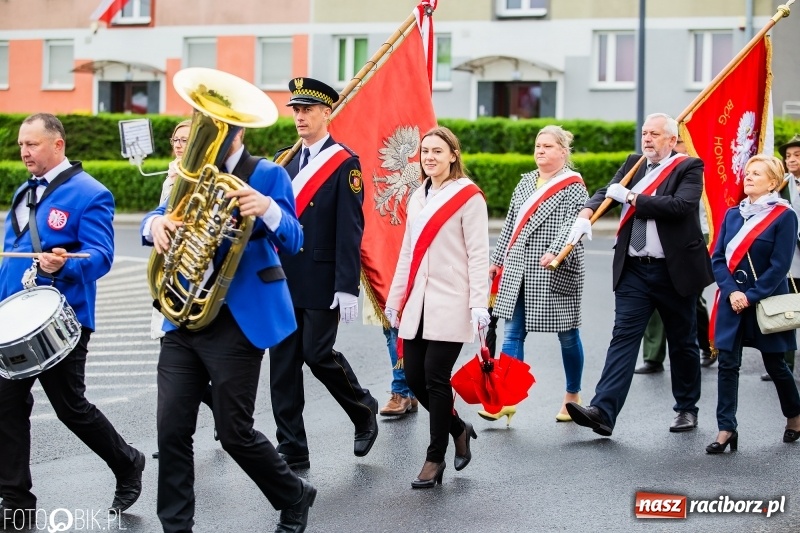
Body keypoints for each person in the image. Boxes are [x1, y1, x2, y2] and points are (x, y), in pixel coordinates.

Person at [142, 126, 317, 532]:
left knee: (234, 432)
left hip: (238, 321)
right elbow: (156, 214)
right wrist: (156, 227)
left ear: (236, 132)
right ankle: (176, 525)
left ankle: (293, 494)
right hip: (184, 316)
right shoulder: (191, 171)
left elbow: (294, 239)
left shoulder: (268, 174)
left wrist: (267, 209)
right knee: (170, 428)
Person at [0, 113, 145, 528]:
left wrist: (61, 265)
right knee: (5, 406)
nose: (24, 152)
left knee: (71, 408)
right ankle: (16, 498)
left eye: (33, 144)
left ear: (58, 144)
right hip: (14, 322)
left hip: (61, 321)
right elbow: (12, 256)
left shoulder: (90, 193)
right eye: (21, 145)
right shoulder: (22, 191)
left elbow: (100, 256)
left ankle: (127, 461)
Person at [565, 113, 713, 437]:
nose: (647, 139)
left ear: (671, 141)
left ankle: (687, 408)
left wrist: (631, 197)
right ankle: (603, 410)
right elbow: (607, 191)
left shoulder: (689, 167)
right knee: (623, 339)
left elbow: (679, 207)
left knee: (683, 342)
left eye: (655, 134)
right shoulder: (635, 163)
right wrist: (586, 213)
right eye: (645, 133)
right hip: (634, 269)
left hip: (673, 271)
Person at [270, 77, 379, 471]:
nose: (299, 116)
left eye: (307, 110)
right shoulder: (284, 159)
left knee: (317, 356)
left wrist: (346, 286)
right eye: (296, 110)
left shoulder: (345, 163)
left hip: (319, 276)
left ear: (326, 112)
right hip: (282, 279)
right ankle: (292, 446)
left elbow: (350, 228)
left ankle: (363, 407)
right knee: (282, 365)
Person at [385, 126, 490, 488]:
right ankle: (459, 427)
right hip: (418, 300)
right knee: (414, 379)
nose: (429, 157)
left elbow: (479, 254)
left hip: (454, 300)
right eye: (425, 152)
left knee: (434, 376)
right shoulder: (418, 197)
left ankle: (434, 458)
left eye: (437, 151)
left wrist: (480, 304)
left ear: (453, 155)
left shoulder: (468, 197)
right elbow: (407, 255)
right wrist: (395, 299)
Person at [485, 125, 588, 424]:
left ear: (563, 151)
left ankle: (572, 395)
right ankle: (506, 397)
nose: (540, 150)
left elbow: (573, 223)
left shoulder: (574, 186)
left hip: (556, 266)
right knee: (513, 331)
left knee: (567, 335)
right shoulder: (526, 182)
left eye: (548, 146)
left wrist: (556, 251)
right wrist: (497, 258)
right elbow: (510, 224)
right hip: (519, 265)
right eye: (537, 145)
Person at [706, 154, 800, 453]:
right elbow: (718, 258)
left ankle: (795, 416)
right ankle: (726, 428)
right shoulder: (733, 214)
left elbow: (779, 265)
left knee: (776, 365)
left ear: (773, 182)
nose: (748, 176)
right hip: (733, 300)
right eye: (747, 172)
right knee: (727, 365)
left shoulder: (785, 216)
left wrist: (751, 295)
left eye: (757, 173)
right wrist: (733, 291)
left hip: (765, 299)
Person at [634, 136, 714, 373]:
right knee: (652, 298)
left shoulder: (693, 168)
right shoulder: (653, 169)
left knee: (691, 297)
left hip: (695, 238)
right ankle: (653, 356)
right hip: (658, 240)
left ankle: (707, 345)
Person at [760, 134, 800, 382]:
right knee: (787, 309)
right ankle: (783, 364)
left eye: (797, 155)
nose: (791, 160)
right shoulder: (782, 185)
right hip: (791, 257)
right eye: (788, 156)